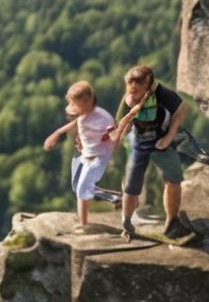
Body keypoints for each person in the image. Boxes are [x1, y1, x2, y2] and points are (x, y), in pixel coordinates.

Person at [111, 65, 189, 241]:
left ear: (148, 84)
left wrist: (170, 136)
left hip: (161, 140)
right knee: (132, 184)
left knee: (174, 178)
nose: (133, 95)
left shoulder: (163, 94)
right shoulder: (129, 98)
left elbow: (183, 109)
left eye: (137, 90)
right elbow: (121, 124)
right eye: (130, 90)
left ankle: (172, 222)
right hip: (139, 142)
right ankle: (127, 223)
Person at [44, 81, 118, 233]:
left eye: (76, 104)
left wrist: (110, 137)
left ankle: (83, 225)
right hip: (84, 154)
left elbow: (113, 133)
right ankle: (114, 197)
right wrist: (56, 134)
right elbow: (76, 123)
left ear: (87, 101)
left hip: (97, 157)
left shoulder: (102, 118)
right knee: (77, 185)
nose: (74, 109)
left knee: (82, 190)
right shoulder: (84, 115)